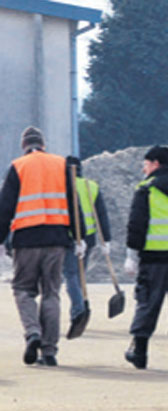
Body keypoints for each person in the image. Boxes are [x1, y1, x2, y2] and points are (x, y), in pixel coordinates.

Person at [0, 126, 84, 366]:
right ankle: (49, 351)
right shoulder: (62, 165)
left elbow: (5, 208)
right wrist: (80, 239)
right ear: (44, 145)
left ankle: (32, 332)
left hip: (26, 240)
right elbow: (73, 204)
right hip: (57, 239)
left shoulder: (18, 167)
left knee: (23, 290)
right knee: (51, 293)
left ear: (24, 146)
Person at [124, 145, 168, 371]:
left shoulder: (146, 189)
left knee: (147, 303)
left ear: (155, 163)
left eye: (145, 165)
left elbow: (137, 226)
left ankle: (140, 352)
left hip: (153, 259)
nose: (143, 169)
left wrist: (132, 256)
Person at [63, 156, 112, 324]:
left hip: (68, 237)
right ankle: (80, 306)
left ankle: (78, 309)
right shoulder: (91, 186)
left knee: (71, 275)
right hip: (89, 239)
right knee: (79, 274)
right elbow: (102, 216)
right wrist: (106, 240)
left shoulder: (63, 186)